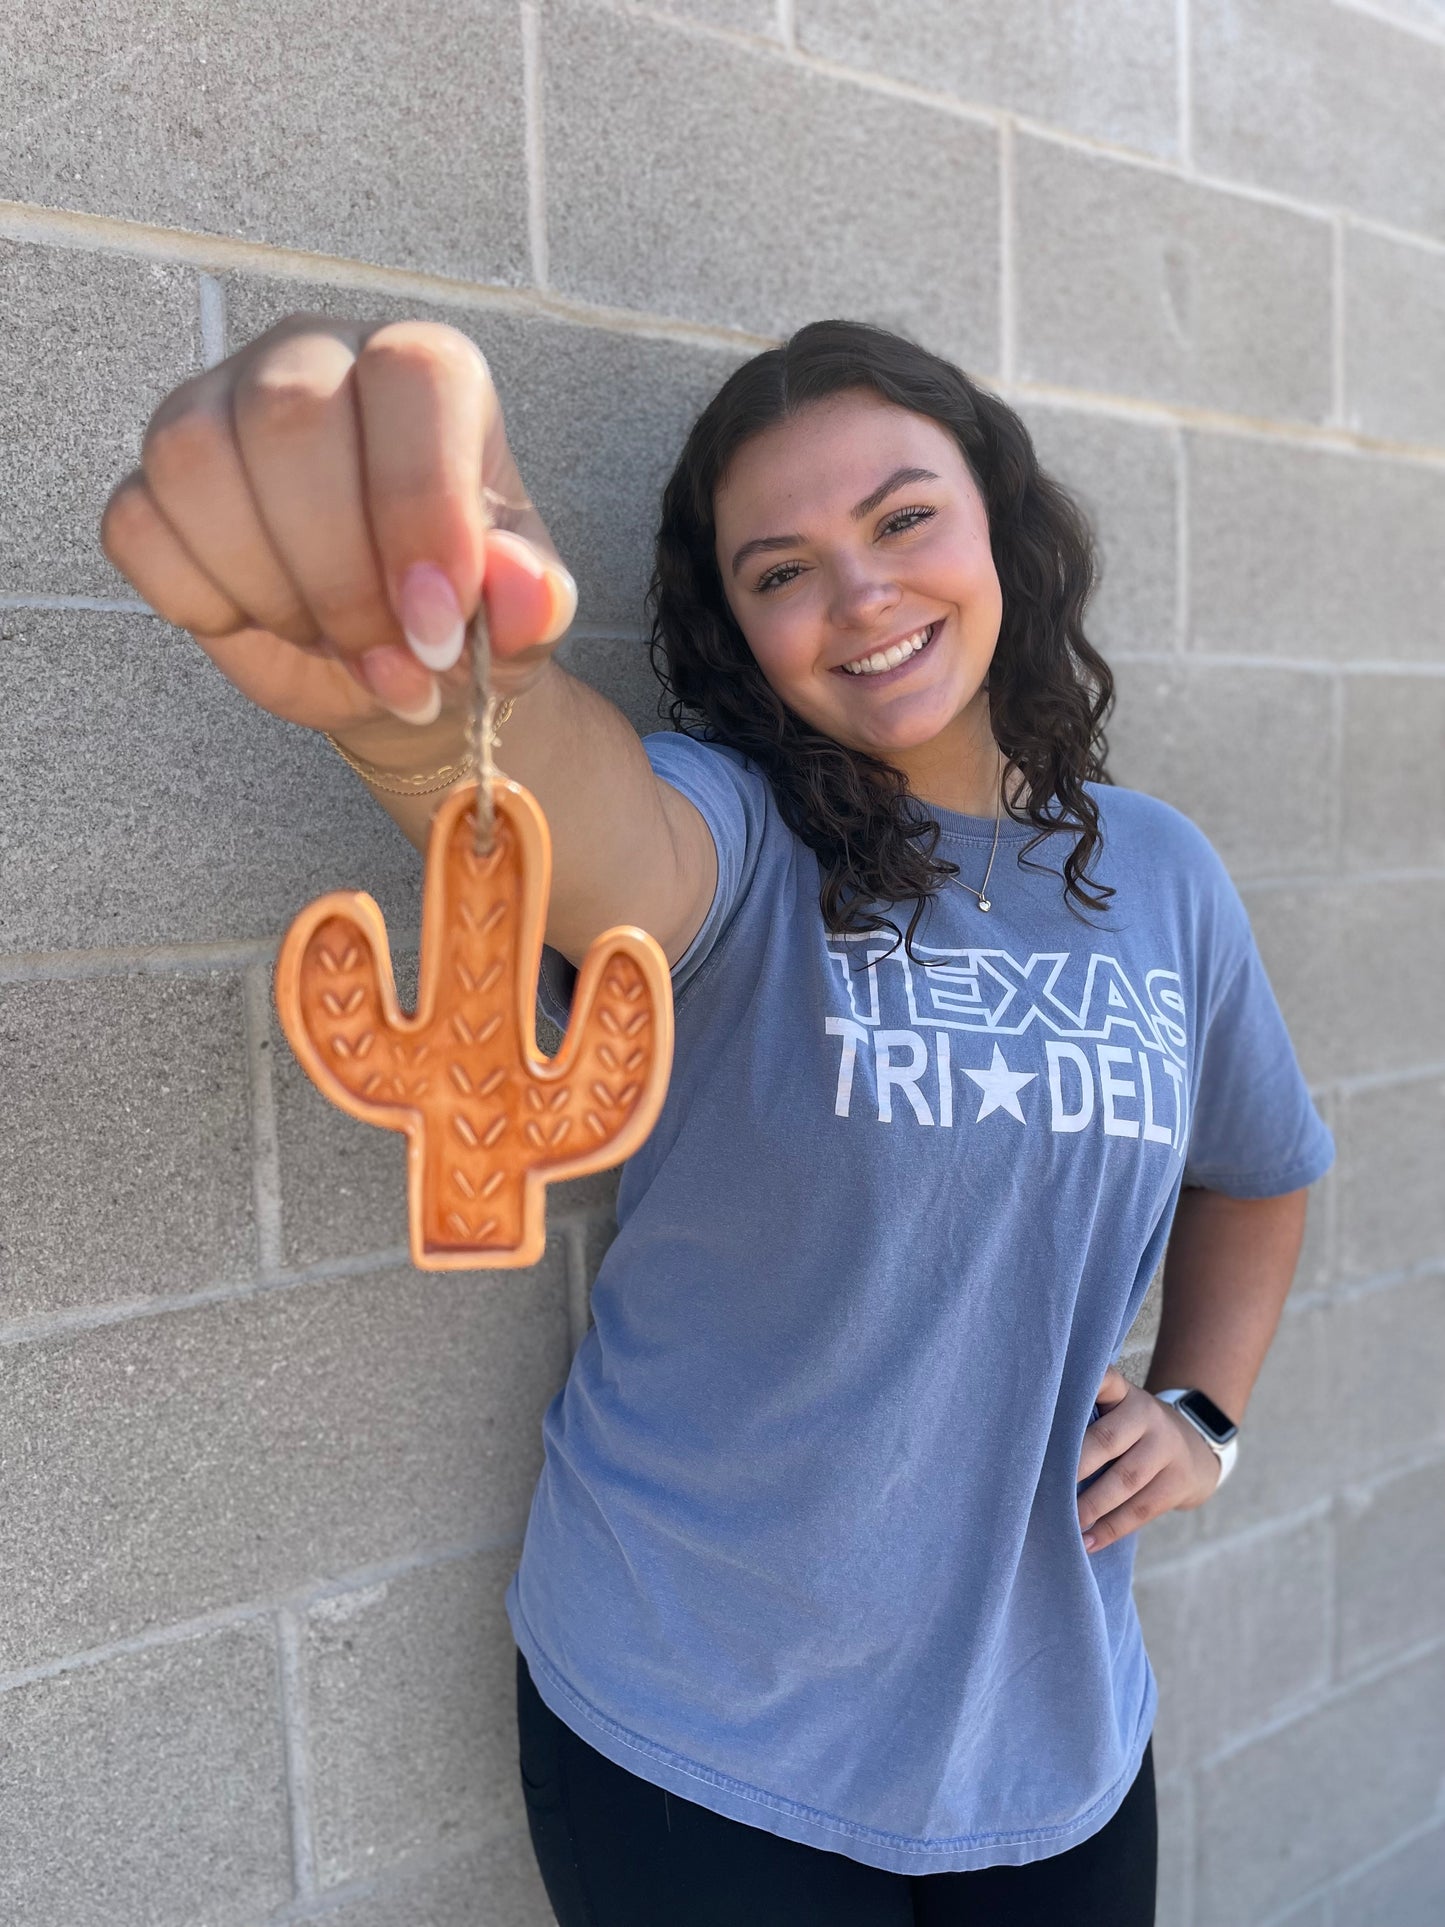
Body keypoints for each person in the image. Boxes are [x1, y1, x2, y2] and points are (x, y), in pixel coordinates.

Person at [102, 314, 1333, 1926]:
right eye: (779, 570)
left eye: (902, 519)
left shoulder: (1156, 872)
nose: (860, 595)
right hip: (699, 1724)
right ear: (735, 627)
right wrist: (426, 703)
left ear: (1000, 529)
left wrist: (1202, 1414)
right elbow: (585, 819)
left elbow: (1255, 1168)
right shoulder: (740, 838)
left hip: (1049, 1730)